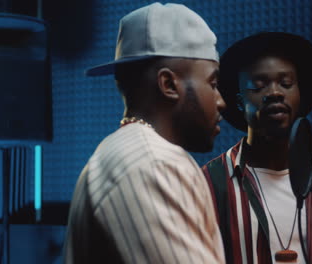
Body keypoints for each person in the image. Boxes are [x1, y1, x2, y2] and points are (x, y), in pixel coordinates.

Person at [63, 2, 226, 264]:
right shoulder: (153, 165)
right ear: (169, 84)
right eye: (213, 83)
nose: (220, 101)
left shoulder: (123, 152)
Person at [202, 32, 312, 264]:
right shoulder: (208, 184)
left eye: (286, 84)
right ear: (238, 102)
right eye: (258, 86)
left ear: (299, 94)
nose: (275, 92)